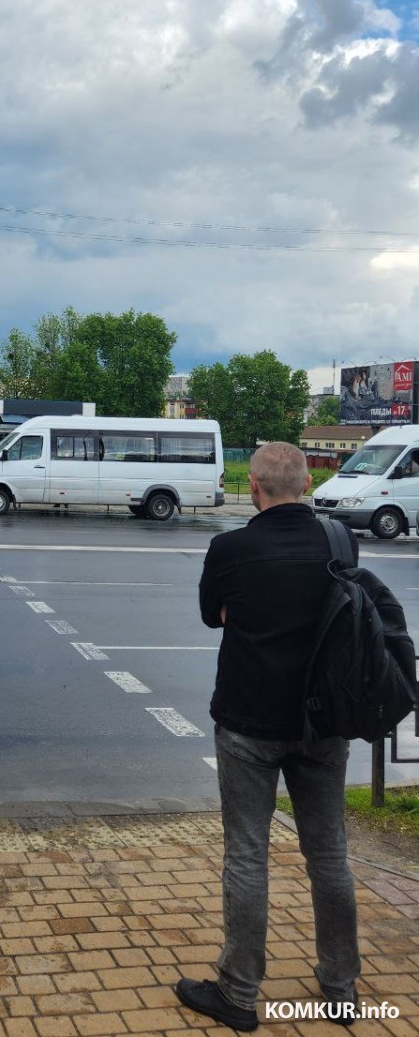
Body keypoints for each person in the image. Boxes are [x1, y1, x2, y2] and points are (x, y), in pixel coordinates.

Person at [176, 442, 374, 1031]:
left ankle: (238, 995)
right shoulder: (339, 541)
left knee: (247, 856)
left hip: (248, 724)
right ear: (308, 482)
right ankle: (340, 990)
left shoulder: (230, 548)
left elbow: (215, 616)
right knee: (329, 855)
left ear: (254, 489)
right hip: (324, 723)